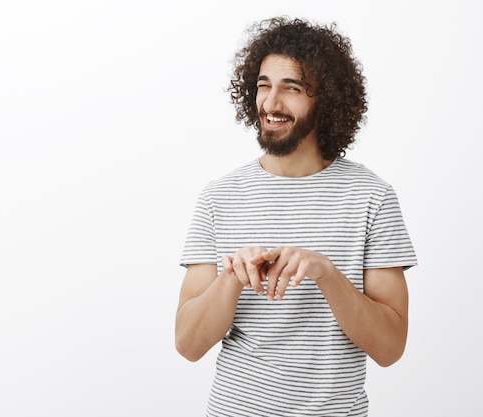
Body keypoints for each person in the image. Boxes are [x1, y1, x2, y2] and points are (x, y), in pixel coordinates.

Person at [175, 16, 417, 417]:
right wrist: (231, 279)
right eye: (264, 86)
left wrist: (326, 272)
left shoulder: (372, 198)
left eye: (292, 88)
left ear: (327, 99)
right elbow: (188, 344)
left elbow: (390, 348)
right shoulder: (218, 198)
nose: (271, 104)